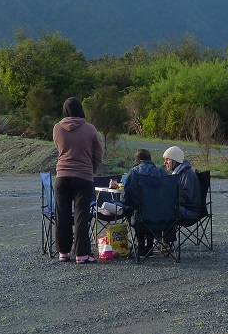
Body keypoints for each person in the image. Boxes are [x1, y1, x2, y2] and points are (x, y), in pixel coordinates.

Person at [52, 97, 103, 264]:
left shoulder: (57, 128)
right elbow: (98, 153)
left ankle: (63, 252)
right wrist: (91, 168)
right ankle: (82, 254)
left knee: (62, 214)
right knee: (81, 215)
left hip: (62, 176)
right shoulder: (90, 129)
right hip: (83, 176)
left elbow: (59, 149)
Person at [110, 148, 165, 255]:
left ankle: (140, 247)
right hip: (159, 213)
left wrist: (126, 204)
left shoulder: (134, 172)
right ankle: (149, 246)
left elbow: (127, 192)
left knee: (133, 211)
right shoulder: (160, 172)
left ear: (137, 160)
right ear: (150, 159)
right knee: (148, 211)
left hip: (140, 214)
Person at [162, 146, 203, 224]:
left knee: (164, 208)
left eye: (167, 159)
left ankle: (166, 235)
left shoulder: (186, 174)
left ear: (175, 160)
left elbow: (185, 197)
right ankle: (162, 235)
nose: (165, 163)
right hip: (183, 208)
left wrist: (169, 200)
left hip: (191, 212)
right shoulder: (179, 173)